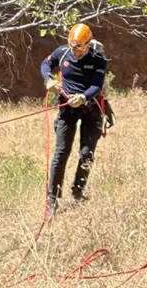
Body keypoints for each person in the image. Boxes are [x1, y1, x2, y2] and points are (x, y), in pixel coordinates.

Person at [40, 23, 108, 217]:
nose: (76, 53)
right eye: (74, 48)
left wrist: (84, 97)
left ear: (88, 44)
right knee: (61, 152)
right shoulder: (62, 53)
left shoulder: (98, 59)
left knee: (87, 153)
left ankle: (78, 189)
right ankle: (52, 200)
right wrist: (48, 80)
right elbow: (46, 64)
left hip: (90, 107)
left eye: (81, 49)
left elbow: (97, 84)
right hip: (67, 108)